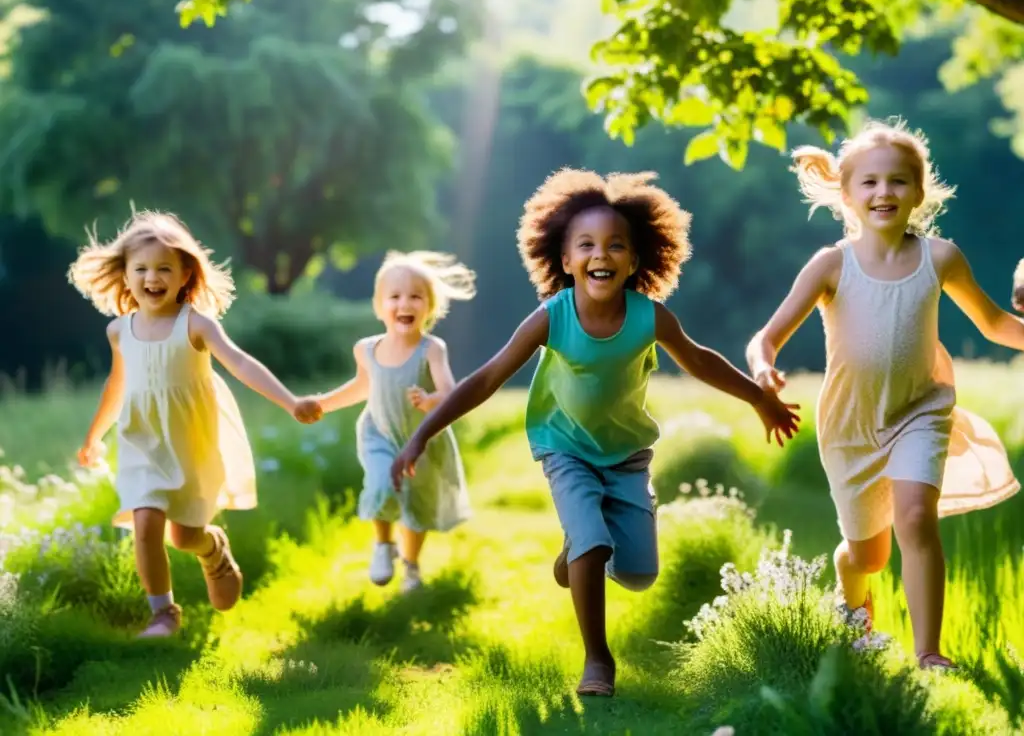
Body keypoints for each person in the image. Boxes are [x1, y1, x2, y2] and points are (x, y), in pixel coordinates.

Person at [390, 169, 800, 696]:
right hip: (564, 447)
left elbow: (699, 361)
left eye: (615, 245)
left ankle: (576, 549)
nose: (600, 254)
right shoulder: (551, 317)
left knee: (637, 574)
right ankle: (598, 660)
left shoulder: (649, 318)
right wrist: (422, 433)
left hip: (626, 455)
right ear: (565, 261)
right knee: (593, 544)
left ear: (634, 261)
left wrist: (759, 399)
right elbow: (489, 377)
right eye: (585, 245)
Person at [746, 119, 1021, 670]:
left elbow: (993, 323)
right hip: (850, 428)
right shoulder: (831, 265)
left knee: (916, 518)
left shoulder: (940, 258)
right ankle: (853, 598)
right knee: (867, 555)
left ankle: (928, 653)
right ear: (847, 195)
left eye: (898, 181)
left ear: (919, 192)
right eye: (870, 183)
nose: (884, 193)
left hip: (921, 411)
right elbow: (767, 337)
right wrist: (763, 368)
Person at [71, 210, 320, 638]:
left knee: (184, 537)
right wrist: (95, 435)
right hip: (142, 441)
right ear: (125, 275)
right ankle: (163, 613)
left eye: (164, 268)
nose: (153, 277)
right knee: (145, 523)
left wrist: (290, 400)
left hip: (190, 442)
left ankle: (213, 549)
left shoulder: (197, 325)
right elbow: (117, 385)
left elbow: (240, 364)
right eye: (142, 269)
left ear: (186, 273)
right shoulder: (119, 331)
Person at [305, 251, 475, 593]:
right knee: (382, 485)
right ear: (379, 305)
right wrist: (322, 403)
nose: (405, 304)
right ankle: (383, 544)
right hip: (380, 434)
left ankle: (411, 567)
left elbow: (450, 393)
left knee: (417, 510)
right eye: (394, 297)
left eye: (415, 296)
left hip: (423, 441)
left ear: (430, 306)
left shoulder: (432, 349)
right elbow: (361, 388)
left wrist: (429, 401)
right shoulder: (367, 349)